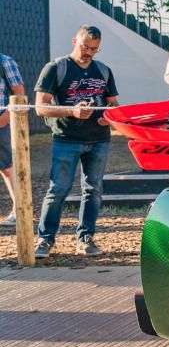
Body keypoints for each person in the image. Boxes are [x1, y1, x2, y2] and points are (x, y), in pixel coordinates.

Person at [32, 25, 119, 258]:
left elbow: (113, 105)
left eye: (94, 49)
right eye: (85, 46)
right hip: (66, 139)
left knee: (94, 190)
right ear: (74, 41)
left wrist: (107, 117)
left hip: (99, 139)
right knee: (58, 189)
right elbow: (41, 107)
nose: (88, 52)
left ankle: (86, 238)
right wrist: (72, 111)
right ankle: (44, 239)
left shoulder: (103, 70)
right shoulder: (56, 67)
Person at [0, 51, 25, 226]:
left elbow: (20, 95)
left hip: (0, 123)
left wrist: (5, 118)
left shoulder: (5, 62)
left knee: (7, 167)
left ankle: (20, 209)